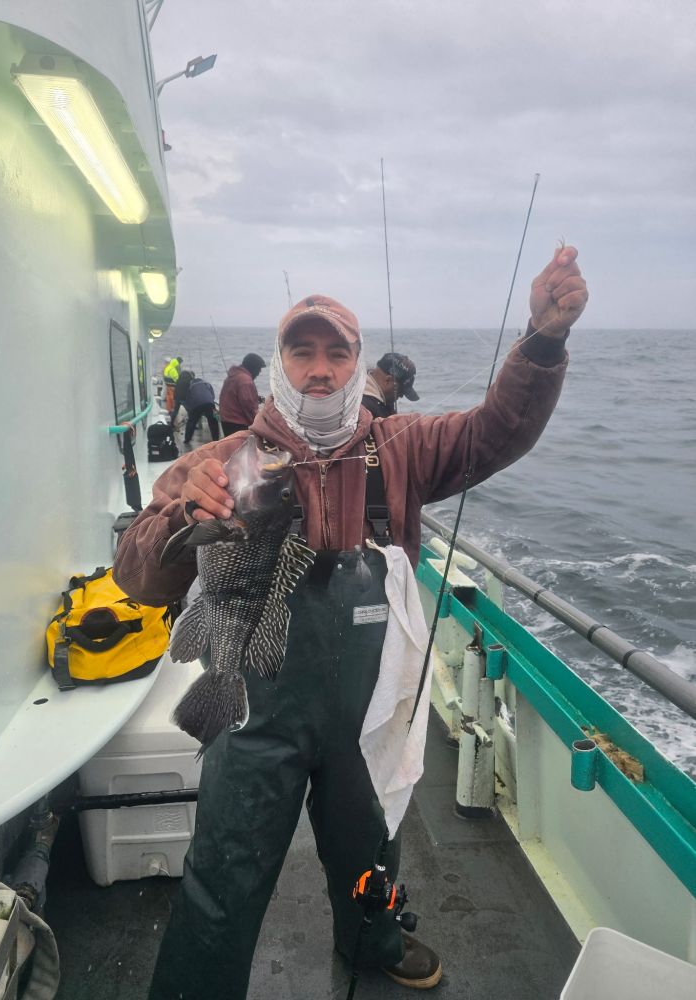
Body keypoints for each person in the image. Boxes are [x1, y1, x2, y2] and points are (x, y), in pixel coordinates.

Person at [113, 247, 588, 998]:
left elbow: (495, 432)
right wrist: (182, 519)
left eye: (337, 353)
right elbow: (133, 575)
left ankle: (373, 938)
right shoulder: (223, 459)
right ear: (280, 362)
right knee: (224, 869)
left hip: (367, 712)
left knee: (373, 845)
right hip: (252, 713)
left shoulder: (400, 447)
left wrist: (543, 341)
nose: (320, 369)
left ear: (359, 365)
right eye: (302, 352)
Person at [218, 352, 266, 435]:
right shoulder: (245, 381)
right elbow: (249, 407)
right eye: (258, 369)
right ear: (252, 367)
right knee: (243, 447)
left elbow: (235, 395)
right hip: (237, 423)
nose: (259, 372)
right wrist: (260, 425)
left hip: (226, 420)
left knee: (234, 447)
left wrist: (256, 397)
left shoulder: (234, 375)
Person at [362, 351, 420, 417]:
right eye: (400, 390)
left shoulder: (385, 401)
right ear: (388, 380)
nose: (401, 396)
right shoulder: (366, 409)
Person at [183, 375, 220, 445]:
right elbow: (212, 395)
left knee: (191, 421)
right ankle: (216, 439)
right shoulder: (207, 384)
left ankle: (187, 439)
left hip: (197, 405)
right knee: (213, 421)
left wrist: (190, 411)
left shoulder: (191, 386)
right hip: (209, 403)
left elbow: (188, 399)